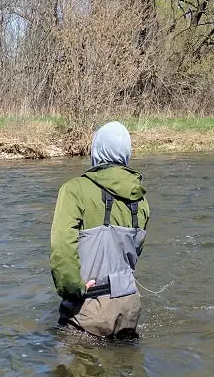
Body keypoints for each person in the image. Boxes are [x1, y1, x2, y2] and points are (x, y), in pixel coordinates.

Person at [50, 121, 150, 338]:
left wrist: (74, 289)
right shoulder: (140, 199)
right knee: (126, 368)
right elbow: (134, 253)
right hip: (130, 304)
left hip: (90, 306)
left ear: (96, 151)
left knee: (72, 368)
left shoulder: (74, 189)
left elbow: (61, 247)